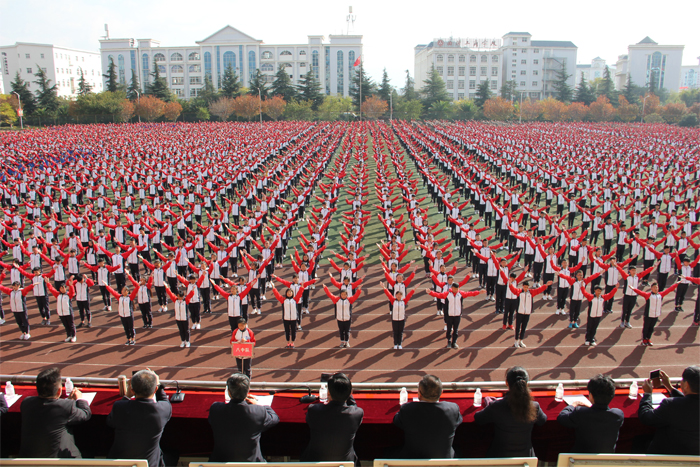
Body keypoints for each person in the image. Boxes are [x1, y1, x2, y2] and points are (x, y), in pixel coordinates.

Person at [18, 367, 91, 458]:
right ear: (59, 390)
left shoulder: (26, 402)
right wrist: (80, 399)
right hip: (57, 458)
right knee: (87, 452)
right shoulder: (66, 407)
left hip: (29, 457)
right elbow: (85, 414)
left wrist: (66, 401)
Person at [474, 366, 547, 457]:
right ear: (527, 384)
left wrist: (490, 405)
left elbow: (478, 419)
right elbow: (542, 421)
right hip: (526, 458)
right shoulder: (534, 406)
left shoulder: (496, 407)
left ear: (507, 383)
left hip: (500, 458)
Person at [107, 369, 172, 467]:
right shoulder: (163, 409)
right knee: (172, 454)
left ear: (132, 390)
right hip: (150, 464)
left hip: (119, 463)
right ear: (155, 389)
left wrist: (127, 396)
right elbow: (165, 401)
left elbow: (110, 421)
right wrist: (158, 386)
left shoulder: (119, 406)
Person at [208, 373, 279, 462]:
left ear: (229, 392)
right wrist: (259, 404)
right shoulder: (259, 411)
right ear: (248, 390)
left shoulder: (215, 409)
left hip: (220, 462)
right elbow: (275, 418)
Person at [392, 374, 462, 459]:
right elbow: (458, 420)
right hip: (445, 459)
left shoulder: (407, 409)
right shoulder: (453, 409)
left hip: (413, 459)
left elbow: (397, 421)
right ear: (441, 393)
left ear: (419, 393)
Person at [301, 373, 364, 466]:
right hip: (345, 463)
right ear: (351, 392)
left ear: (328, 393)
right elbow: (353, 407)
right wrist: (345, 390)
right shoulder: (357, 413)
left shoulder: (314, 410)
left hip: (314, 462)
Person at [638, 366, 699, 455]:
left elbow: (646, 417)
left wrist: (647, 394)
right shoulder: (676, 404)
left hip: (668, 455)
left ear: (686, 385)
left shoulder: (671, 405)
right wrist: (670, 387)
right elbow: (691, 401)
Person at [556, 374, 624, 453]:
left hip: (581, 458)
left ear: (591, 395)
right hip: (605, 459)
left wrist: (572, 405)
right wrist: (591, 408)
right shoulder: (618, 415)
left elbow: (562, 418)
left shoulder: (581, 413)